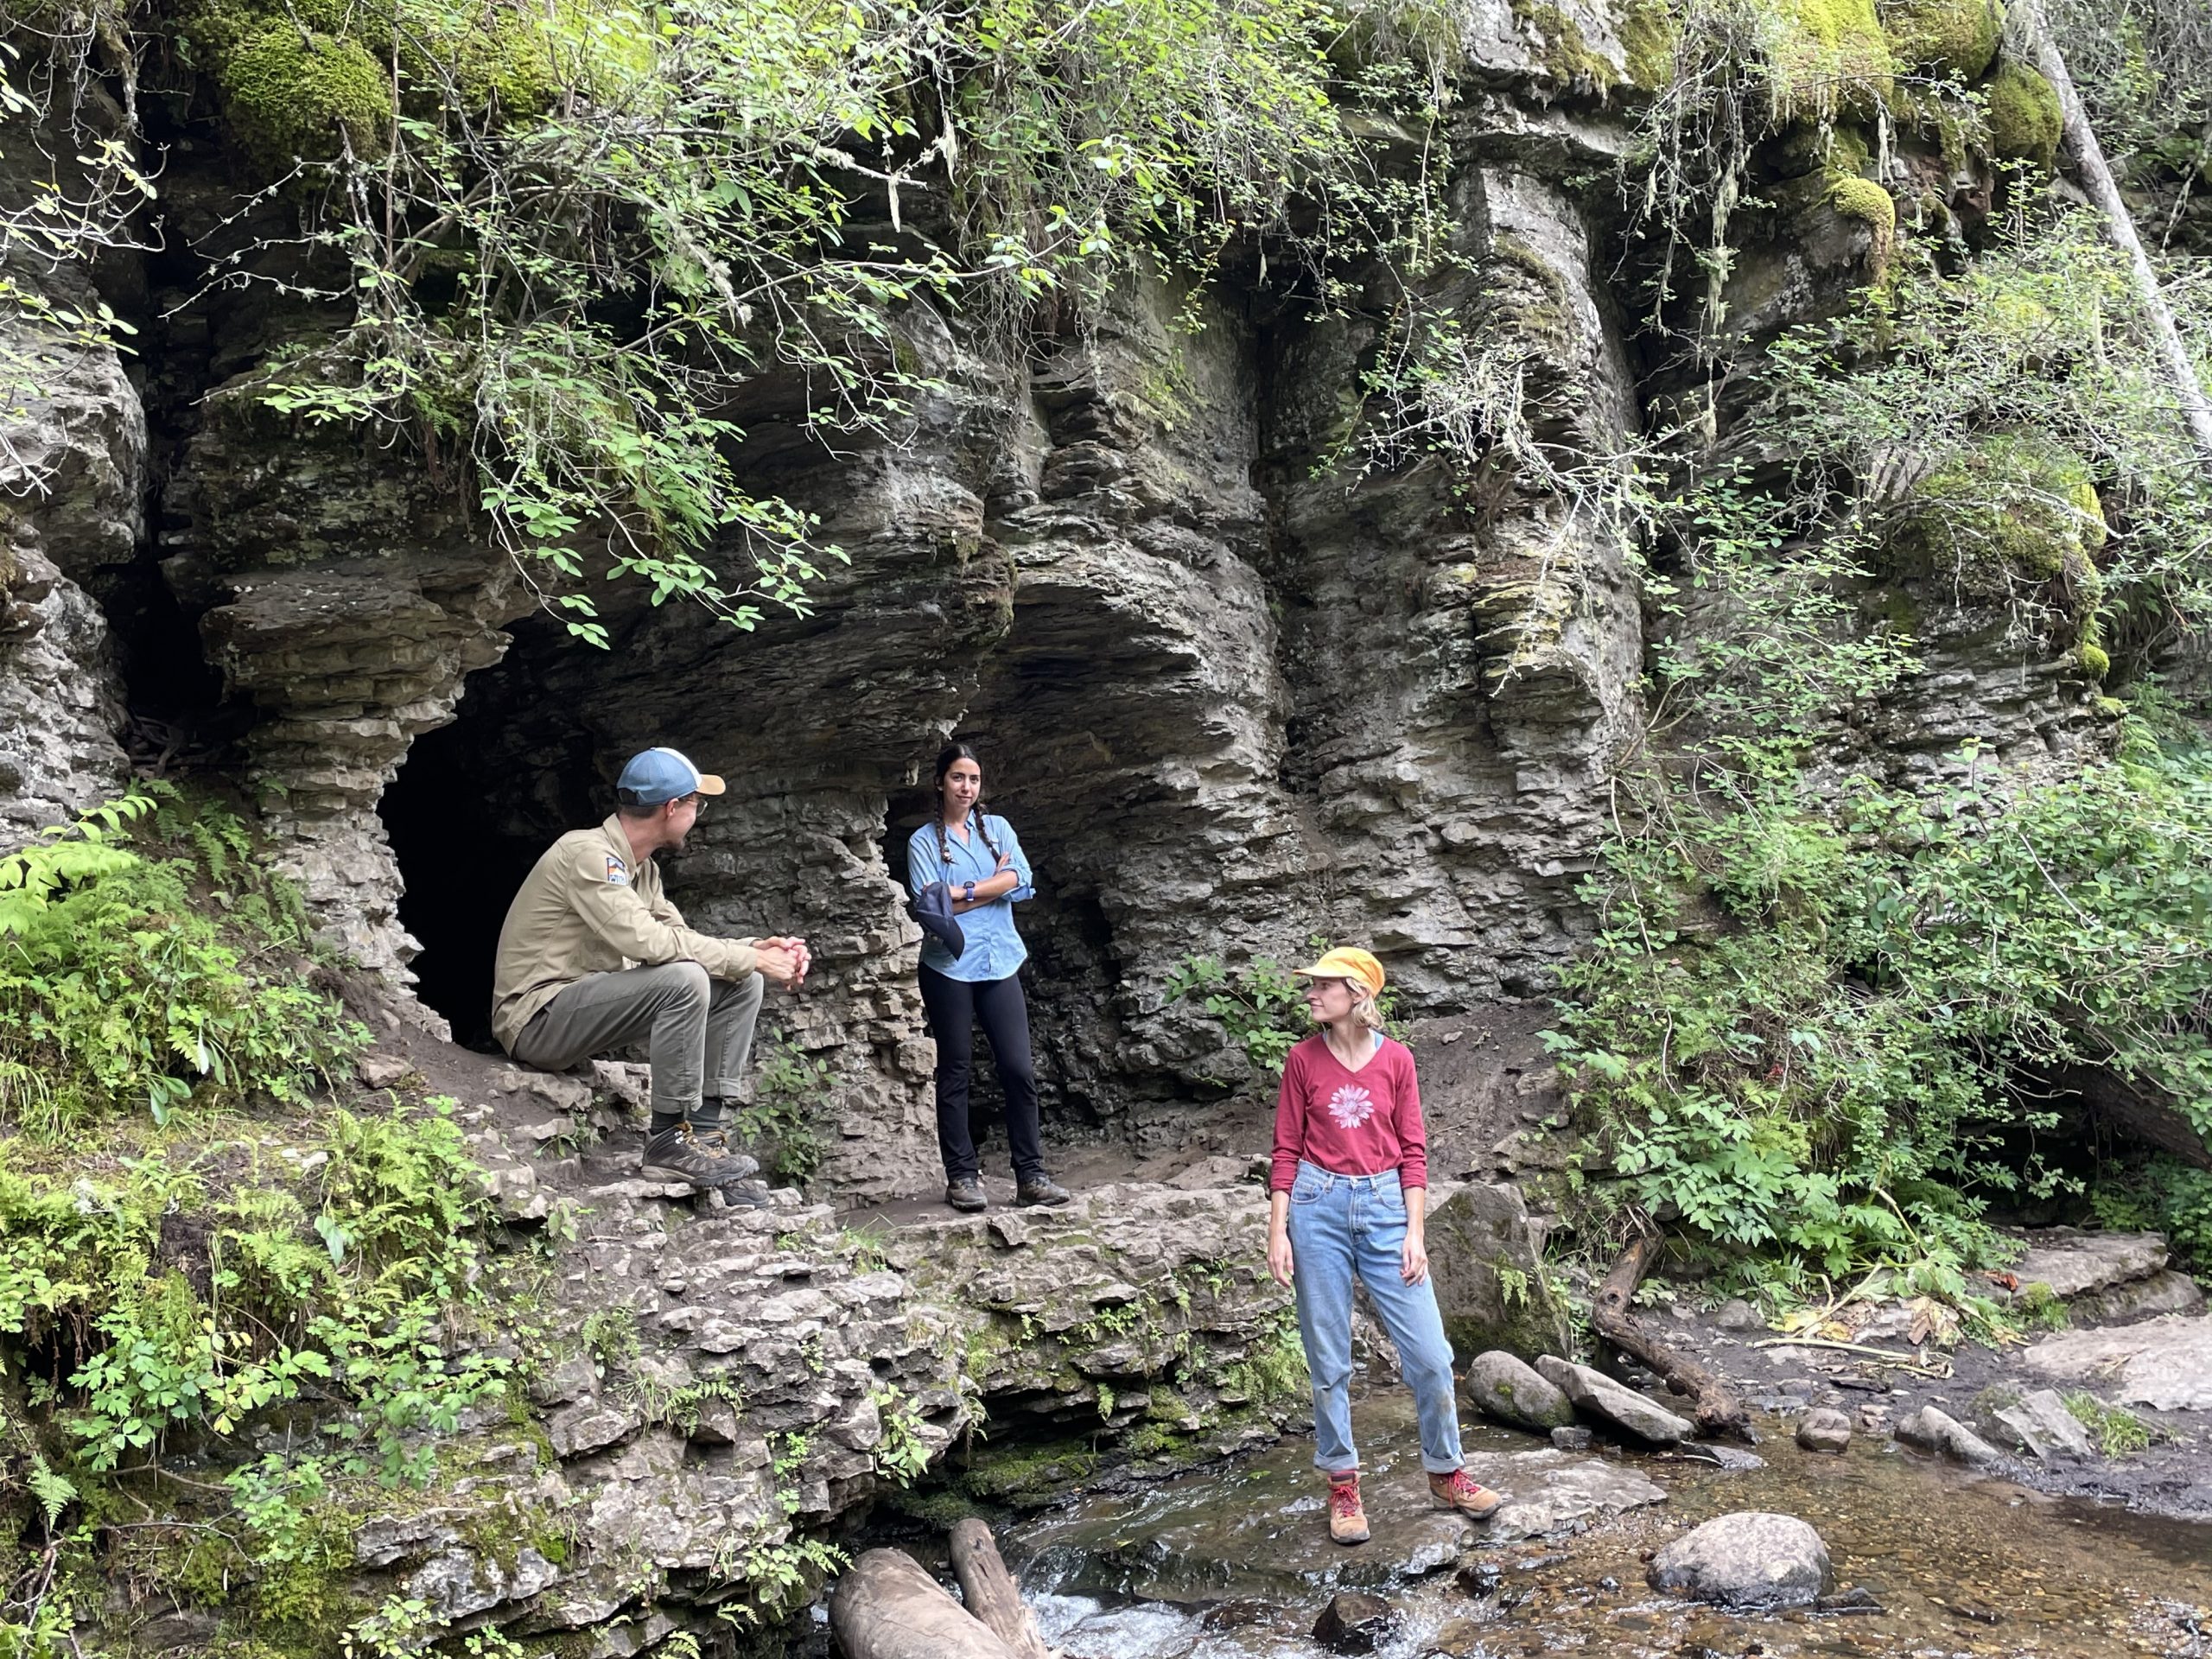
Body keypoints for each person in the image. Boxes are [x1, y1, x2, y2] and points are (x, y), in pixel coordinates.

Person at [490, 746, 811, 1193]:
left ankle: (702, 1140)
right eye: (697, 803)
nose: (699, 813)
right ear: (672, 808)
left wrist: (756, 950)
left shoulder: (641, 871)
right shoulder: (588, 854)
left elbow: (682, 939)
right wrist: (755, 956)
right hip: (537, 1020)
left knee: (741, 983)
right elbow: (651, 944)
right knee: (685, 980)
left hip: (582, 1007)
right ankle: (666, 1143)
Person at [1267, 946, 1505, 1545]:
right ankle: (1343, 1484)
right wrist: (1278, 1230)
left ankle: (1446, 1473)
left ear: (1357, 994)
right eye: (1312, 986)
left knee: (1430, 1354)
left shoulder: (1397, 1061)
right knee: (1329, 1359)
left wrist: (1415, 1233)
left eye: (1323, 986)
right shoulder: (1302, 1060)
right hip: (1316, 1209)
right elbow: (1286, 1150)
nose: (1311, 994)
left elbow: (1415, 1152)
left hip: (1384, 1210)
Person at [905, 741, 1070, 1213]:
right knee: (955, 1070)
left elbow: (1020, 879)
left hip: (1000, 962)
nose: (967, 787)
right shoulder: (922, 842)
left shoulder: (996, 829)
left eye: (974, 779)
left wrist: (964, 891)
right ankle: (961, 1176)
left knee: (1018, 1069)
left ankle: (1031, 1176)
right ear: (940, 782)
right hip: (948, 967)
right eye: (958, 777)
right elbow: (931, 908)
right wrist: (991, 888)